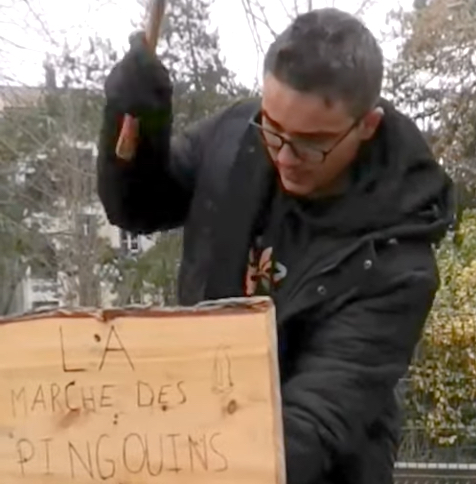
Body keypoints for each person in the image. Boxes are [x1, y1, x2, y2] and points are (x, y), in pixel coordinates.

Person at [97, 7, 454, 484]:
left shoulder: (397, 260)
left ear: (366, 126)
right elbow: (139, 207)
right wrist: (138, 117)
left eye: (312, 143)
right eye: (273, 128)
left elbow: (315, 420)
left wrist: (191, 467)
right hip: (204, 438)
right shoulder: (237, 137)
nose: (284, 156)